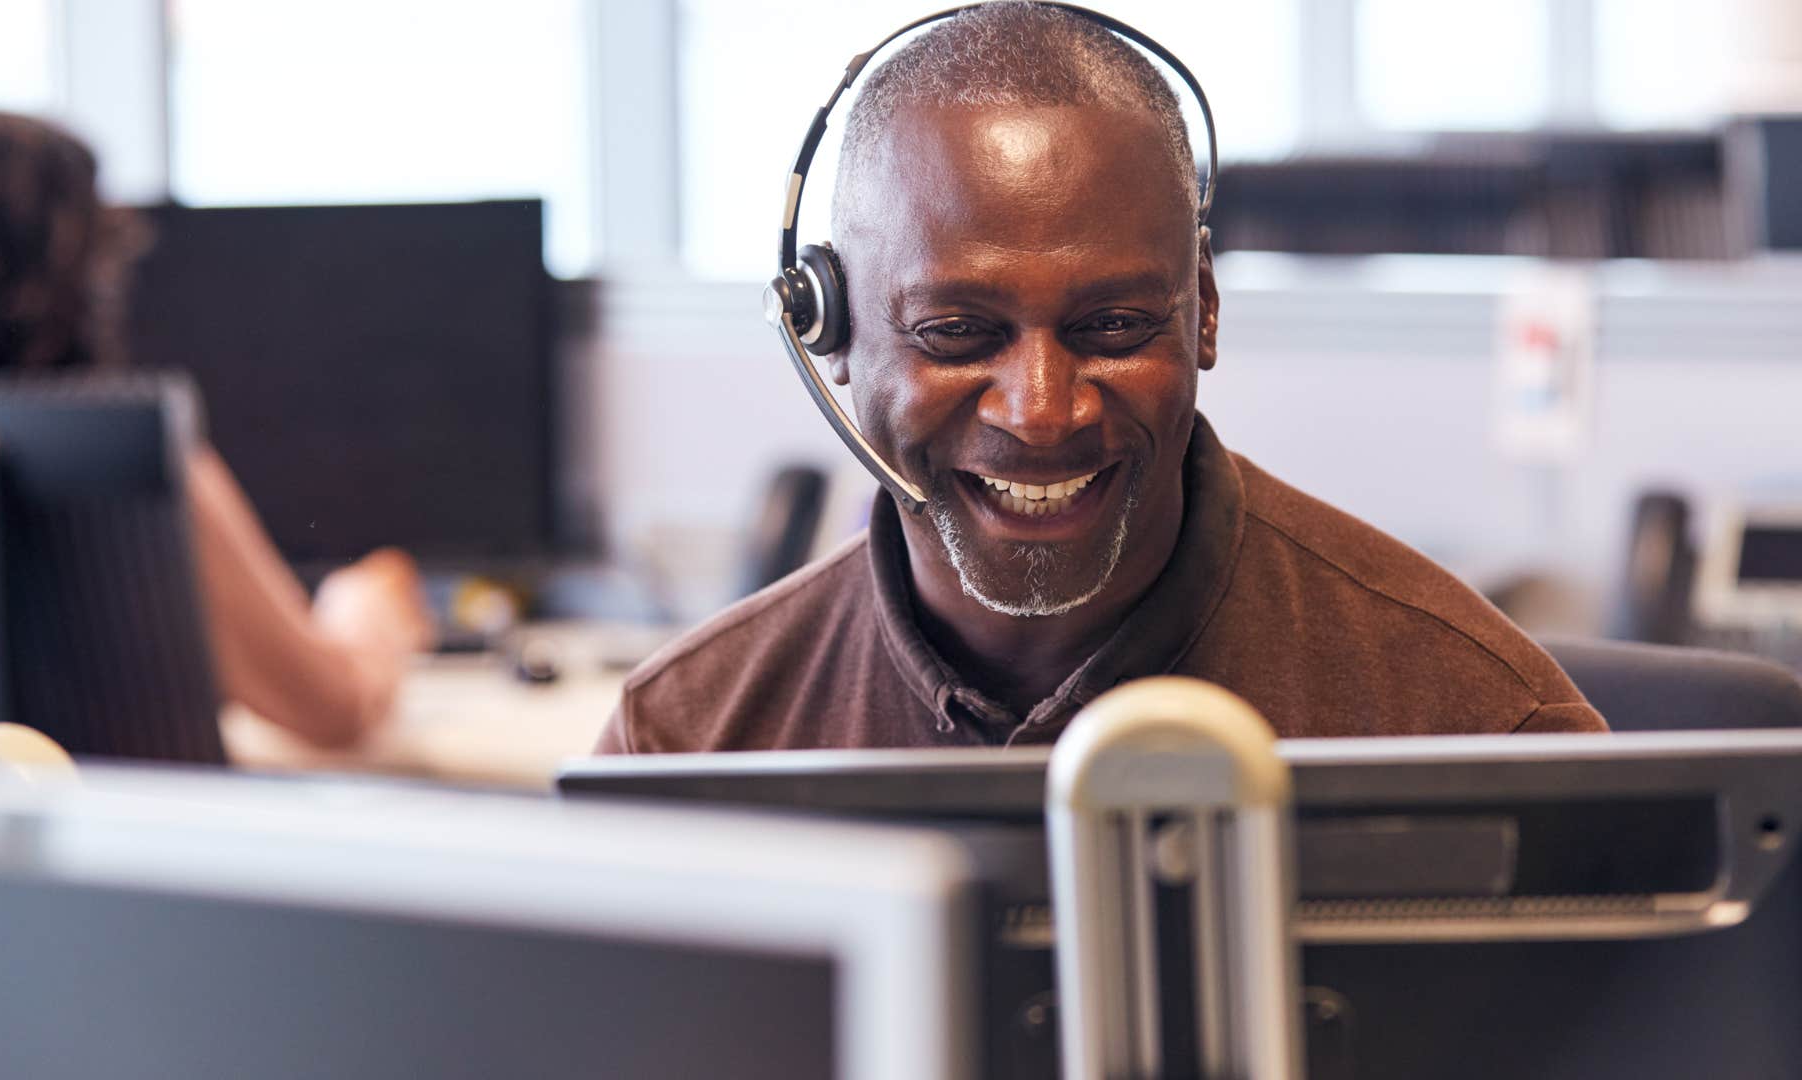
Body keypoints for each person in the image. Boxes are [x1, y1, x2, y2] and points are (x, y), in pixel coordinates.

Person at [597, 3, 1605, 754]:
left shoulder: (1476, 722)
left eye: (1114, 327)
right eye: (957, 334)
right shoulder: (690, 740)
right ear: (832, 328)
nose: (1041, 411)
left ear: (1203, 310)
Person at [0, 108, 431, 748]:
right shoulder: (130, 463)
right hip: (138, 847)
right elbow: (333, 711)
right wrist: (364, 611)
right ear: (84, 269)